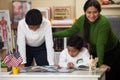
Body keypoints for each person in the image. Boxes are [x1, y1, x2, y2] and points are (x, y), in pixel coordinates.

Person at [53, 0, 120, 80]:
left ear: (99, 11)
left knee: (108, 75)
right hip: (95, 52)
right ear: (85, 12)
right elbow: (69, 32)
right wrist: (52, 35)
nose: (92, 15)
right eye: (89, 12)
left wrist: (101, 64)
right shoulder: (82, 20)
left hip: (112, 52)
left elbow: (100, 45)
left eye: (95, 12)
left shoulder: (103, 23)